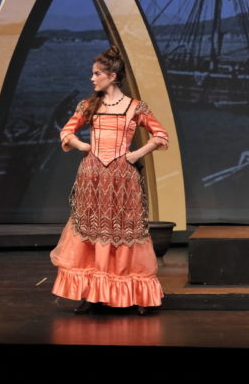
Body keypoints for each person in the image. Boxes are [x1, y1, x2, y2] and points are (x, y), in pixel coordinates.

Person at [50, 45, 169, 315]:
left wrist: (136, 154)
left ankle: (136, 291)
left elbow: (161, 135)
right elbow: (67, 131)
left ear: (112, 76)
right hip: (92, 177)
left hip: (122, 179)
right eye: (92, 74)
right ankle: (93, 292)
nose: (92, 78)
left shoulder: (135, 107)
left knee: (125, 231)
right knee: (92, 230)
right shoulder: (88, 106)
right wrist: (82, 146)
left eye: (97, 74)